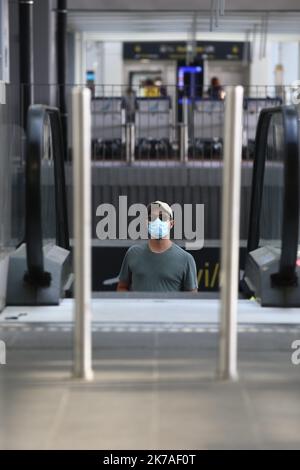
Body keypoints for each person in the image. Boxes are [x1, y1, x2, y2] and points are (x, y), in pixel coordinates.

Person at [117, 201, 198, 292]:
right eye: (152, 218)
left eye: (162, 217)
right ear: (147, 223)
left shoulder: (185, 259)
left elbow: (191, 297)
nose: (157, 221)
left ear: (171, 224)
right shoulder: (133, 253)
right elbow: (122, 287)